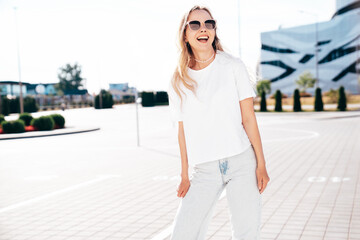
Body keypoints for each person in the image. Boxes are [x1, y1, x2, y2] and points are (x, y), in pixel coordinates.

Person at [167, 5, 270, 240]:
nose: (203, 29)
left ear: (214, 30)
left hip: (242, 162)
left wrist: (261, 164)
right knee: (183, 234)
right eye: (195, 24)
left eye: (208, 23)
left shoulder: (233, 66)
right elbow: (181, 131)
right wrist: (184, 174)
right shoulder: (178, 79)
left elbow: (248, 118)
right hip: (204, 170)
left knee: (246, 233)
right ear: (185, 34)